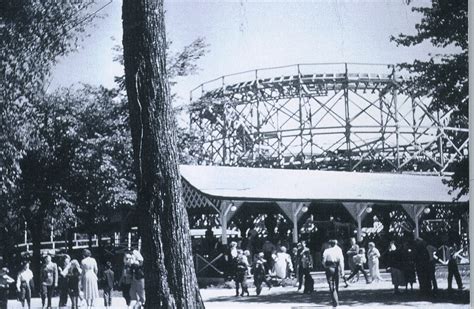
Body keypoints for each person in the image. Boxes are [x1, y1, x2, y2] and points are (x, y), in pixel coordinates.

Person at [322, 239, 344, 308]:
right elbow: (341, 260)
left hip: (329, 266)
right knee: (336, 283)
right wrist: (342, 270)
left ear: (329, 244)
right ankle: (336, 298)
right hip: (336, 266)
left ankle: (334, 301)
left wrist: (325, 266)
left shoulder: (326, 251)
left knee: (331, 284)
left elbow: (323, 260)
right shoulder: (339, 250)